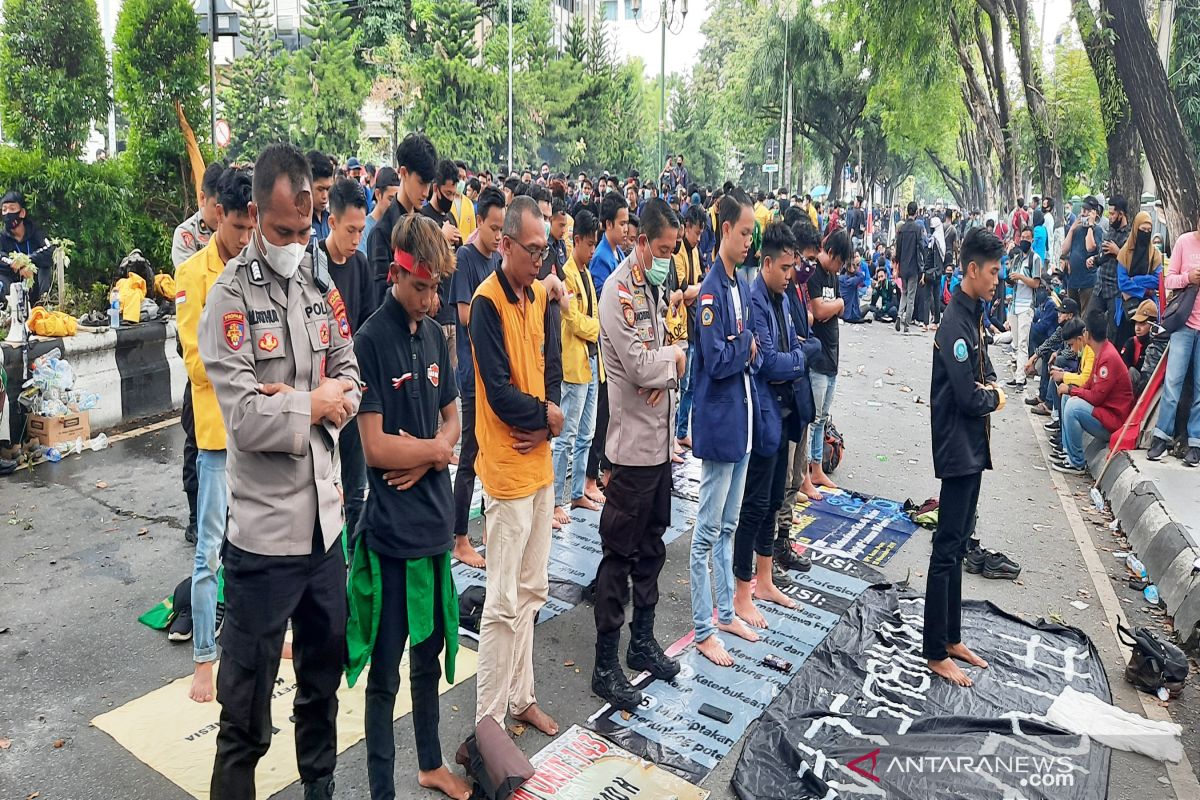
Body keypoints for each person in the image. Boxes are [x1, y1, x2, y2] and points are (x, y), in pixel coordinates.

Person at [200, 144, 360, 799]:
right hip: (264, 543)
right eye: (285, 231)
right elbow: (242, 417)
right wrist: (311, 403)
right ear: (256, 215)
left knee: (320, 696)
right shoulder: (228, 298)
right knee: (245, 718)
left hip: (325, 537)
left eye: (307, 229)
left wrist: (316, 402)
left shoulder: (322, 286)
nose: (298, 242)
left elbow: (350, 376)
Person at [352, 214, 470, 800]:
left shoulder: (434, 332)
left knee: (429, 655)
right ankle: (381, 789)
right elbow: (374, 446)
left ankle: (430, 763)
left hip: (432, 523)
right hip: (391, 533)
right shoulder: (371, 340)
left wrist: (425, 457)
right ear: (397, 272)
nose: (430, 299)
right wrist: (437, 450)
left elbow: (455, 418)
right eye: (420, 287)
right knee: (385, 668)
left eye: (436, 289)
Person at [470, 196, 564, 735]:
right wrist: (543, 415)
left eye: (543, 249)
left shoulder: (538, 297)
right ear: (504, 245)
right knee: (502, 602)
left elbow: (551, 372)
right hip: (506, 473)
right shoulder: (487, 302)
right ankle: (488, 722)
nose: (539, 259)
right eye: (531, 250)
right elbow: (500, 392)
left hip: (541, 467)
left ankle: (521, 696)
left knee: (532, 592)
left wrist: (548, 421)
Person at [590, 199, 687, 710]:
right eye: (666, 249)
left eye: (675, 250)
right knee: (618, 557)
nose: (671, 258)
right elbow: (643, 366)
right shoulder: (618, 291)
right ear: (643, 242)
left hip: (660, 447)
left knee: (652, 547)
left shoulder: (656, 286)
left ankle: (642, 642)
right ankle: (606, 663)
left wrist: (664, 363)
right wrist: (668, 363)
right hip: (630, 453)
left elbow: (663, 361)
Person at [175, 167, 254, 704]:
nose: (246, 238)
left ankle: (256, 639)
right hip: (215, 435)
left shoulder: (254, 269)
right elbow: (197, 362)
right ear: (217, 216)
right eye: (238, 226)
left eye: (252, 228)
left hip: (256, 430)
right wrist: (244, 369)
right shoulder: (192, 274)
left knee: (258, 546)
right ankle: (204, 657)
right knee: (209, 553)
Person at [925, 227, 1006, 687]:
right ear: (972, 270)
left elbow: (986, 372)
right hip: (958, 445)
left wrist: (990, 390)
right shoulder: (954, 323)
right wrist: (994, 398)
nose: (998, 279)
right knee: (946, 549)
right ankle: (936, 649)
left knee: (959, 544)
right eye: (993, 272)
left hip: (974, 447)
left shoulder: (975, 314)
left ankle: (952, 636)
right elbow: (966, 394)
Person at [733, 221, 817, 628]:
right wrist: (800, 360)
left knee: (772, 501)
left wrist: (796, 357)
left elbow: (791, 346)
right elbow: (769, 362)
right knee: (752, 506)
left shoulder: (782, 298)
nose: (790, 275)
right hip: (761, 412)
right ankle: (741, 589)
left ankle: (764, 579)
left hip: (784, 412)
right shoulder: (755, 300)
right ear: (765, 263)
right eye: (784, 268)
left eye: (792, 267)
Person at [690, 190, 759, 667]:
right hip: (719, 421)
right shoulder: (712, 290)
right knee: (706, 531)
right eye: (744, 232)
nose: (749, 239)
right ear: (725, 230)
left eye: (753, 233)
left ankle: (726, 612)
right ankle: (701, 627)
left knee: (729, 526)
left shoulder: (738, 285)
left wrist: (746, 343)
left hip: (743, 420)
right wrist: (745, 345)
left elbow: (747, 344)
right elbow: (717, 360)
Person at [450, 187, 506, 569]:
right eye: (494, 227)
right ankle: (459, 538)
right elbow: (466, 314)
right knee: (469, 455)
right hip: (472, 375)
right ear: (479, 223)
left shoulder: (497, 262)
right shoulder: (466, 259)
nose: (499, 235)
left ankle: (487, 527)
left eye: (503, 228)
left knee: (490, 452)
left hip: (493, 376)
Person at [320, 178, 372, 544]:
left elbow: (367, 326)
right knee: (320, 483)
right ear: (332, 222)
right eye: (350, 230)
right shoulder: (312, 267)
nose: (356, 239)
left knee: (355, 486)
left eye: (361, 230)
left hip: (352, 387)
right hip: (318, 390)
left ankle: (354, 564)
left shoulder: (362, 266)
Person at [552, 209, 604, 529]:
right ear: (577, 241)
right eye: (589, 244)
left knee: (587, 433)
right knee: (567, 437)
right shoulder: (568, 274)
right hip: (573, 363)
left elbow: (589, 316)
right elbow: (572, 319)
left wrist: (594, 327)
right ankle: (557, 499)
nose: (592, 250)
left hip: (591, 362)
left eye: (594, 244)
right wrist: (598, 328)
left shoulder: (585, 271)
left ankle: (576, 492)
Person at [1053, 310, 1135, 474]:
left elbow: (1096, 397)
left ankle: (1076, 462)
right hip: (1103, 412)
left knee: (1073, 406)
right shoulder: (1101, 351)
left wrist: (1071, 389)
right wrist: (1071, 390)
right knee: (1068, 397)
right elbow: (1089, 383)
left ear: (1087, 333)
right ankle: (1067, 452)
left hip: (1112, 420)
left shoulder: (1108, 357)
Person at [367, 134, 439, 321]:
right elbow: (380, 297)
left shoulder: (428, 225)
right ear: (404, 173)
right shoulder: (381, 233)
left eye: (429, 184)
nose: (425, 192)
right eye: (421, 183)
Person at [1146, 227, 1200, 467]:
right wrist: (1189, 278)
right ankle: (1161, 436)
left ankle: (1195, 441)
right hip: (1184, 324)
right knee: (1173, 381)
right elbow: (1169, 280)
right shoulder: (1184, 242)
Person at [806, 229, 852, 489]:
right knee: (813, 419)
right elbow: (818, 310)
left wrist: (832, 307)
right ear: (831, 252)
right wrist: (838, 304)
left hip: (832, 357)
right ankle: (806, 473)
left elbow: (829, 310)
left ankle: (816, 468)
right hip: (817, 359)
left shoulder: (832, 277)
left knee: (822, 417)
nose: (840, 268)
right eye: (840, 261)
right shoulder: (813, 274)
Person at [422, 159, 465, 370]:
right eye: (447, 194)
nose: (450, 199)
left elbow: (456, 263)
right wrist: (440, 237)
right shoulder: (422, 219)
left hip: (451, 313)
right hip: (432, 313)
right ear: (436, 189)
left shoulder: (451, 219)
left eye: (453, 194)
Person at [673, 205, 705, 448]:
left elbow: (698, 285)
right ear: (685, 228)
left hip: (696, 325)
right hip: (682, 325)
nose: (698, 238)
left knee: (691, 385)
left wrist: (695, 290)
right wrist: (695, 290)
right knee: (680, 385)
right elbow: (684, 292)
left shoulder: (694, 252)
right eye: (695, 232)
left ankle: (682, 431)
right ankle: (674, 434)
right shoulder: (679, 254)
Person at [1114, 211, 1163, 347]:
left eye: (1149, 230)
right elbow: (1122, 283)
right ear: (1136, 229)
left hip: (1148, 310)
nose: (1145, 233)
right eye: (1143, 230)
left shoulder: (1155, 254)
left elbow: (1158, 280)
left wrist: (1135, 280)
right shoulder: (1124, 253)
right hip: (1128, 310)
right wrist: (1145, 291)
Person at [1002, 226, 1043, 389]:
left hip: (1027, 305)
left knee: (1023, 342)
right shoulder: (1018, 258)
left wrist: (1020, 277)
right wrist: (1011, 278)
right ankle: (1018, 374)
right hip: (1014, 305)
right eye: (1022, 237)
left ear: (1032, 240)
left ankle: (1020, 377)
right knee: (1017, 343)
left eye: (1027, 237)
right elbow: (1012, 279)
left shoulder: (1036, 259)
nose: (1024, 240)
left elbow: (1036, 282)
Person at [172, 163, 224, 268]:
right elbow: (189, 278)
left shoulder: (234, 230)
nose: (221, 214)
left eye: (226, 207)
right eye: (216, 206)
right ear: (202, 198)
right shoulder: (186, 233)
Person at [1091, 196, 1131, 334]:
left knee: (1113, 331)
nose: (1110, 217)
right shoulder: (1110, 232)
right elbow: (1104, 255)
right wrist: (1094, 260)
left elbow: (1132, 264)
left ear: (1121, 214)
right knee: (1089, 323)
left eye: (1113, 214)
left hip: (1115, 290)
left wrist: (1118, 252)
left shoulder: (1130, 236)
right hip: (1100, 287)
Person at [1060, 196, 1102, 312]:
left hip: (1087, 281)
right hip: (1073, 280)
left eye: (1087, 211)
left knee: (1085, 316)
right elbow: (1064, 250)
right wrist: (1072, 229)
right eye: (1082, 210)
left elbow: (1090, 247)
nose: (1083, 213)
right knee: (1072, 315)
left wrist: (1090, 226)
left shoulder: (1097, 230)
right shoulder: (1076, 229)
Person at [358, 167, 401, 255]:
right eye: (390, 199)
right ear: (378, 194)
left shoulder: (397, 226)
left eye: (397, 200)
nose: (394, 205)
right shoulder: (364, 228)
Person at [894, 201, 922, 332]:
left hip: (903, 267)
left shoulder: (902, 229)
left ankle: (899, 315)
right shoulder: (917, 229)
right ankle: (907, 323)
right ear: (916, 212)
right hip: (913, 267)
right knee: (911, 296)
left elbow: (898, 249)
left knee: (904, 293)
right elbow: (921, 247)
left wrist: (898, 264)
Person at [1121, 299, 1156, 397]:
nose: (1137, 328)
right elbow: (1123, 371)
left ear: (1153, 324)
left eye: (1142, 323)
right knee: (1130, 371)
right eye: (1136, 323)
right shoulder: (1131, 343)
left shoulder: (1158, 345)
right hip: (1133, 391)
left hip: (1152, 390)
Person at [308, 150, 335, 240]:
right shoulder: (298, 223)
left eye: (328, 189)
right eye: (320, 189)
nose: (325, 196)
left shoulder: (331, 220)